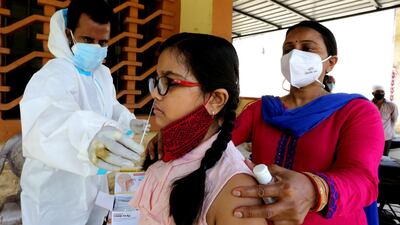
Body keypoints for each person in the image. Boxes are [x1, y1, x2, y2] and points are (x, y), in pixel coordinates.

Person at [229, 21, 384, 225]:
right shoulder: (261, 109)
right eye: (288, 49)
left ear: (331, 62)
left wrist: (314, 189)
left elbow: (363, 181)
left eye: (307, 48)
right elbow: (220, 142)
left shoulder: (355, 111)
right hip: (263, 218)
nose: (294, 56)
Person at [19, 1, 146, 224]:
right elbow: (49, 124)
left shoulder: (102, 75)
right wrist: (90, 137)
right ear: (69, 34)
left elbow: (110, 109)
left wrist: (128, 122)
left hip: (92, 187)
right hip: (55, 194)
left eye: (103, 42)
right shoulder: (52, 76)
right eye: (88, 40)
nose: (96, 48)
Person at [130, 33, 267, 225]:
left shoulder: (236, 191)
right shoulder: (166, 149)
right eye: (158, 80)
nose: (155, 93)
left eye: (170, 82)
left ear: (215, 100)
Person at [371, 85, 398, 156]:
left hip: (386, 137)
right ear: (373, 93)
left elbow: (394, 120)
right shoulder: (369, 105)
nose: (380, 93)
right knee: (372, 156)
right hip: (372, 136)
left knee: (384, 158)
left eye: (382, 92)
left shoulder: (391, 105)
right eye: (378, 92)